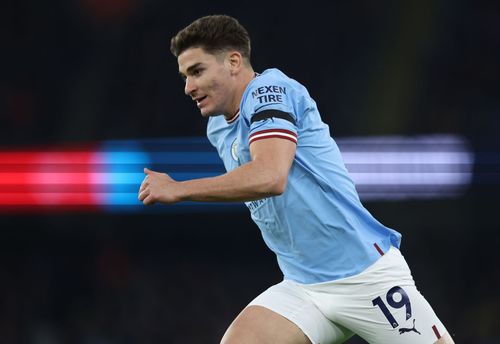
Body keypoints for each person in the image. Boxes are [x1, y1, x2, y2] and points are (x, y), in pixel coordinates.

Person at [138, 14, 454, 344]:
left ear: (233, 61)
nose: (188, 87)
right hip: (303, 286)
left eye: (197, 71)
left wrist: (180, 189)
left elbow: (270, 177)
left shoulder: (270, 91)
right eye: (185, 76)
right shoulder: (218, 126)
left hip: (364, 276)